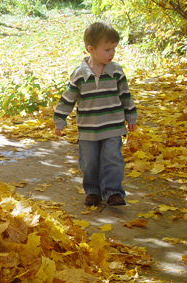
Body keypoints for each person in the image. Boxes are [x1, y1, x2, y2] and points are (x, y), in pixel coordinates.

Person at [53, 21, 137, 207]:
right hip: (88, 129)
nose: (112, 53)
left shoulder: (116, 71)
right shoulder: (79, 75)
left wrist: (130, 117)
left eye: (114, 49)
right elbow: (68, 98)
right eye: (107, 49)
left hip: (113, 126)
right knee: (89, 162)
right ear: (91, 49)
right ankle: (93, 191)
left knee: (112, 158)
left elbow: (125, 95)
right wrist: (60, 119)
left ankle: (113, 192)